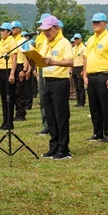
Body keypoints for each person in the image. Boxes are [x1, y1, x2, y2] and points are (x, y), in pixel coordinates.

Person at [38, 16, 74, 160]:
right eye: (44, 30)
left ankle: (64, 149)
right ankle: (54, 146)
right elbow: (42, 60)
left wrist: (54, 62)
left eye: (48, 29)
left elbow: (70, 62)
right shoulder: (45, 43)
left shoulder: (64, 43)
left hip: (60, 82)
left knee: (61, 116)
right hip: (47, 81)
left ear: (56, 28)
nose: (46, 33)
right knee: (50, 116)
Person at [83, 13, 108, 142]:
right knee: (94, 106)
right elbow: (86, 58)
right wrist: (85, 75)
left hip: (104, 75)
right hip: (91, 76)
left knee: (106, 106)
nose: (95, 24)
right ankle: (97, 132)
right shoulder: (91, 39)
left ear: (105, 23)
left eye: (98, 22)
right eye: (93, 22)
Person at [0, 22, 18, 130]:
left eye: (4, 30)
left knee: (9, 97)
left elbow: (14, 59)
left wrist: (12, 73)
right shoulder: (0, 42)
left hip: (7, 70)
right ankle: (4, 121)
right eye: (1, 30)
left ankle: (9, 122)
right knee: (3, 98)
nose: (1, 32)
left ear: (9, 32)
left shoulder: (12, 42)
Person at [34, 13, 51, 135]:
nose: (41, 26)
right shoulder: (39, 37)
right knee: (43, 97)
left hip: (51, 68)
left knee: (50, 98)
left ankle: (51, 124)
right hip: (40, 68)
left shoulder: (52, 37)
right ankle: (45, 124)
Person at [11, 21, 30, 121]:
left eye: (13, 28)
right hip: (13, 66)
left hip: (20, 65)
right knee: (14, 91)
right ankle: (16, 112)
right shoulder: (12, 40)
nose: (12, 30)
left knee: (20, 91)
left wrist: (24, 69)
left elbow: (27, 56)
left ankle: (21, 113)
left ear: (18, 29)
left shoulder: (23, 40)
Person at [71, 33, 86, 107]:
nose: (76, 40)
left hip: (80, 67)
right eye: (75, 39)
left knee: (80, 85)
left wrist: (83, 70)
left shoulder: (83, 48)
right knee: (76, 86)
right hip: (74, 67)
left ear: (81, 39)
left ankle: (82, 102)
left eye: (77, 39)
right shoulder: (73, 49)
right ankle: (78, 101)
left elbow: (84, 59)